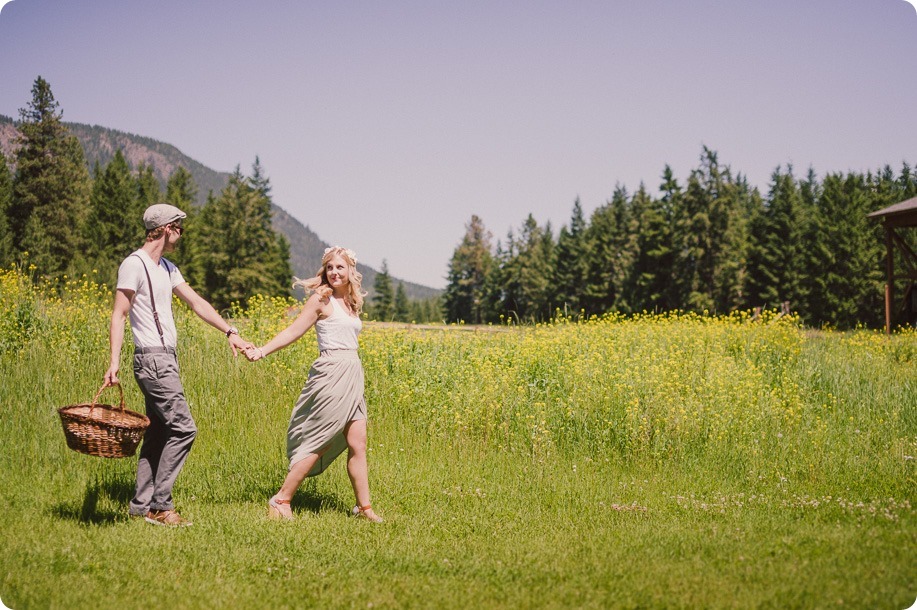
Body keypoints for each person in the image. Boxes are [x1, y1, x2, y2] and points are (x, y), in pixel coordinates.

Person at [104, 203, 252, 527]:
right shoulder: (134, 265)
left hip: (165, 358)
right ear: (166, 227)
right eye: (179, 228)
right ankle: (161, 505)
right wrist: (113, 361)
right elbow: (119, 314)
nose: (181, 234)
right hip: (152, 358)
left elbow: (197, 303)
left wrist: (230, 331)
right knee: (184, 428)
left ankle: (141, 506)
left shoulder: (168, 268)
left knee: (157, 432)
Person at [243, 246, 382, 522]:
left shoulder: (351, 303)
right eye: (329, 268)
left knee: (358, 443)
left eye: (339, 267)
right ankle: (281, 499)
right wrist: (262, 350)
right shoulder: (321, 300)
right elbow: (293, 331)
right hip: (331, 374)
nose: (334, 272)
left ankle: (364, 509)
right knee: (320, 439)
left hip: (352, 373)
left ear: (350, 271)